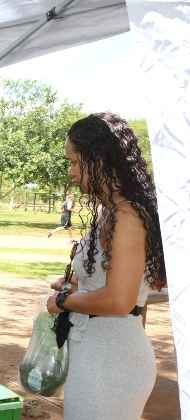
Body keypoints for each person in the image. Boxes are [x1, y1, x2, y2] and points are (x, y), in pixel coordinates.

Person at [46, 112, 165, 419]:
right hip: (96, 353)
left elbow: (119, 300)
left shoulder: (127, 215)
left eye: (74, 162)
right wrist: (76, 287)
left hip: (111, 362)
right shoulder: (109, 210)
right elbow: (108, 284)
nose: (71, 172)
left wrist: (63, 301)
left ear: (98, 159)